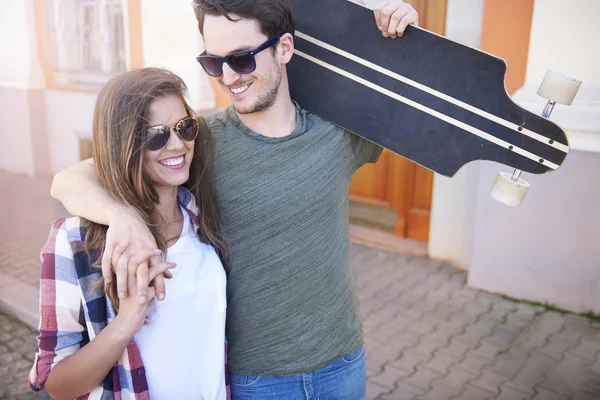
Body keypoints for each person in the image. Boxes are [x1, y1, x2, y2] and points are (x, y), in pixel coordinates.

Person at [50, 1, 418, 398]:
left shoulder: (338, 133)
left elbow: (416, 103)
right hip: (252, 380)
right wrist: (121, 215)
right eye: (214, 62)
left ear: (285, 48)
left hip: (342, 364)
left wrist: (401, 33)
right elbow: (71, 179)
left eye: (241, 59)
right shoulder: (198, 139)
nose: (228, 77)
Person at [29, 68, 230, 399]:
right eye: (156, 135)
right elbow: (57, 384)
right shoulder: (74, 241)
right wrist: (126, 322)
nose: (178, 144)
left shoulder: (203, 216)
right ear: (124, 144)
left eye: (185, 127)